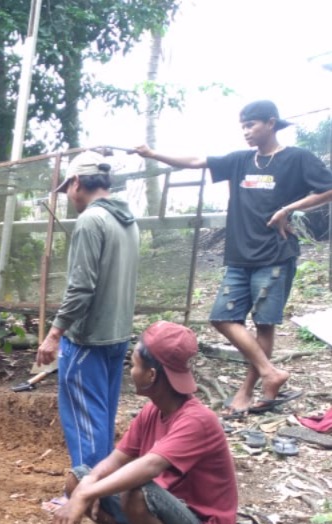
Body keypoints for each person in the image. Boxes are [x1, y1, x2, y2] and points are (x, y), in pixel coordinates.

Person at [136, 100, 332, 418]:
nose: (246, 131)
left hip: (275, 254)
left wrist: (289, 209)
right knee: (222, 317)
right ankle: (270, 373)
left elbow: (328, 188)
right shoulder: (241, 160)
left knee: (264, 324)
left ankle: (250, 391)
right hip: (240, 256)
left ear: (271, 123)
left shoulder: (297, 158)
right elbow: (197, 160)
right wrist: (153, 154)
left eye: (251, 124)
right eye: (243, 126)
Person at [50, 321, 238, 524]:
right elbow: (117, 459)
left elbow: (149, 466)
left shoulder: (198, 420)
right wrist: (85, 485)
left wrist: (86, 495)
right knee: (78, 478)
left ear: (151, 375)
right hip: (171, 517)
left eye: (134, 364)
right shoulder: (153, 411)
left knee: (136, 492)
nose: (131, 371)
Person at [36, 151, 140, 474]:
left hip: (88, 338)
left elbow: (81, 287)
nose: (69, 196)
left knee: (84, 420)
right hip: (117, 334)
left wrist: (55, 334)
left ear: (77, 182)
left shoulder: (91, 220)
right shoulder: (127, 220)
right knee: (101, 416)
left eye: (68, 188)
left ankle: (86, 490)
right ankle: (104, 486)